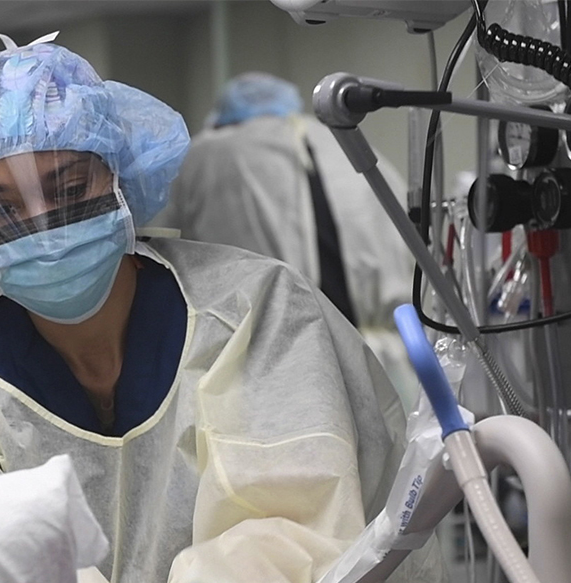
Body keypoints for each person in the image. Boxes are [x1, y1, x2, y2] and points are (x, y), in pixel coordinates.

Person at [0, 33, 454, 583]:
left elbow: (296, 500)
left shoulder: (255, 309)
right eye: (2, 209)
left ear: (122, 177)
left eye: (68, 188)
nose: (44, 227)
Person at [154, 72, 419, 411]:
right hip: (390, 364)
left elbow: (163, 254)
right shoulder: (346, 141)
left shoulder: (207, 155)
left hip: (277, 369)